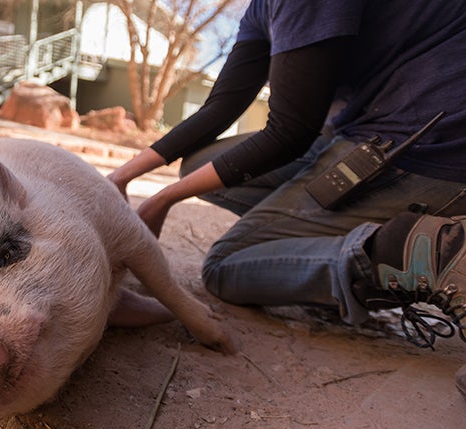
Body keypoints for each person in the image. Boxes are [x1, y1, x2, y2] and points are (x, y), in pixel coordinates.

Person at [107, 0, 466, 399]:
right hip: (365, 130)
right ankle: (342, 229)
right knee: (199, 168)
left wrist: (161, 200)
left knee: (226, 268)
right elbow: (221, 106)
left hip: (427, 147)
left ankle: (424, 253)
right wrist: (122, 177)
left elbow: (290, 132)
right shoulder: (262, 8)